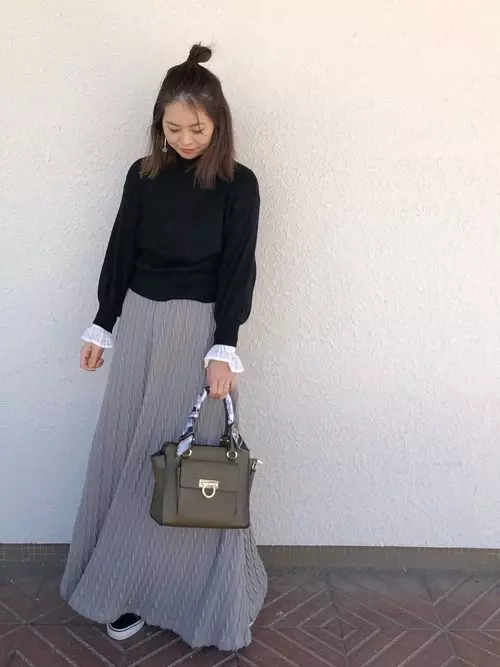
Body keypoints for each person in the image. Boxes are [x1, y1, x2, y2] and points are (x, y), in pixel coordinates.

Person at [60, 43, 267, 652]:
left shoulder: (239, 185)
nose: (184, 139)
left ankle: (190, 595)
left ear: (218, 122)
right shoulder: (144, 175)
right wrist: (103, 323)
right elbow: (121, 248)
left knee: (189, 463)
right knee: (130, 453)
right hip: (142, 324)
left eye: (196, 128)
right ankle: (122, 586)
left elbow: (239, 269)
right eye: (172, 128)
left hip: (199, 333)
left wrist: (224, 347)